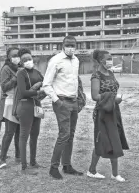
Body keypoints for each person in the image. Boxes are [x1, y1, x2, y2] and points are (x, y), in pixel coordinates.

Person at [43, 35, 84, 179]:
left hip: (73, 101)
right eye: (68, 45)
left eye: (73, 45)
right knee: (64, 134)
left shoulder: (76, 60)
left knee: (70, 135)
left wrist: (79, 99)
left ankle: (67, 165)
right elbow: (46, 84)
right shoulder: (55, 61)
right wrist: (57, 101)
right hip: (61, 101)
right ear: (63, 45)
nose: (71, 48)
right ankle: (53, 167)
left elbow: (75, 81)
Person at [87, 50, 129, 181]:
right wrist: (112, 97)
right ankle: (92, 170)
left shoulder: (110, 73)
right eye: (108, 58)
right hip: (103, 112)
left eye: (111, 58)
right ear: (100, 60)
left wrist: (116, 99)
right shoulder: (96, 76)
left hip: (113, 110)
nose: (110, 60)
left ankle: (115, 173)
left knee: (114, 139)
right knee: (102, 140)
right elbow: (95, 96)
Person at [15, 48, 47, 175]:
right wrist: (37, 92)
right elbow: (23, 92)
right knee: (24, 136)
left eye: (29, 59)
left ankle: (33, 161)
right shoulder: (21, 74)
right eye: (25, 60)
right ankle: (24, 166)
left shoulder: (37, 72)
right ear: (21, 62)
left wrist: (40, 91)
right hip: (25, 106)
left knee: (35, 135)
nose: (28, 61)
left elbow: (46, 85)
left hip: (37, 105)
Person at [0, 47, 21, 168]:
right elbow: (4, 87)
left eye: (18, 55)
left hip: (20, 102)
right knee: (9, 132)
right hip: (10, 102)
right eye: (13, 55)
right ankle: (2, 159)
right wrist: (16, 77)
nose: (16, 57)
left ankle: (19, 156)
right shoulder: (6, 69)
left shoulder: (21, 67)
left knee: (19, 131)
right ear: (8, 57)